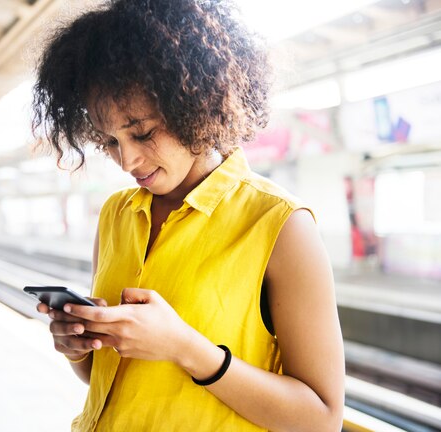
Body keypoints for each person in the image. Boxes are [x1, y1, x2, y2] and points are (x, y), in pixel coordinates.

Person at [31, 0, 344, 430]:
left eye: (142, 133)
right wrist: (79, 349)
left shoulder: (280, 224)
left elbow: (321, 419)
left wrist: (185, 348)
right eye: (108, 142)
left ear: (196, 105)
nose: (127, 161)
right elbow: (109, 380)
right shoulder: (117, 214)